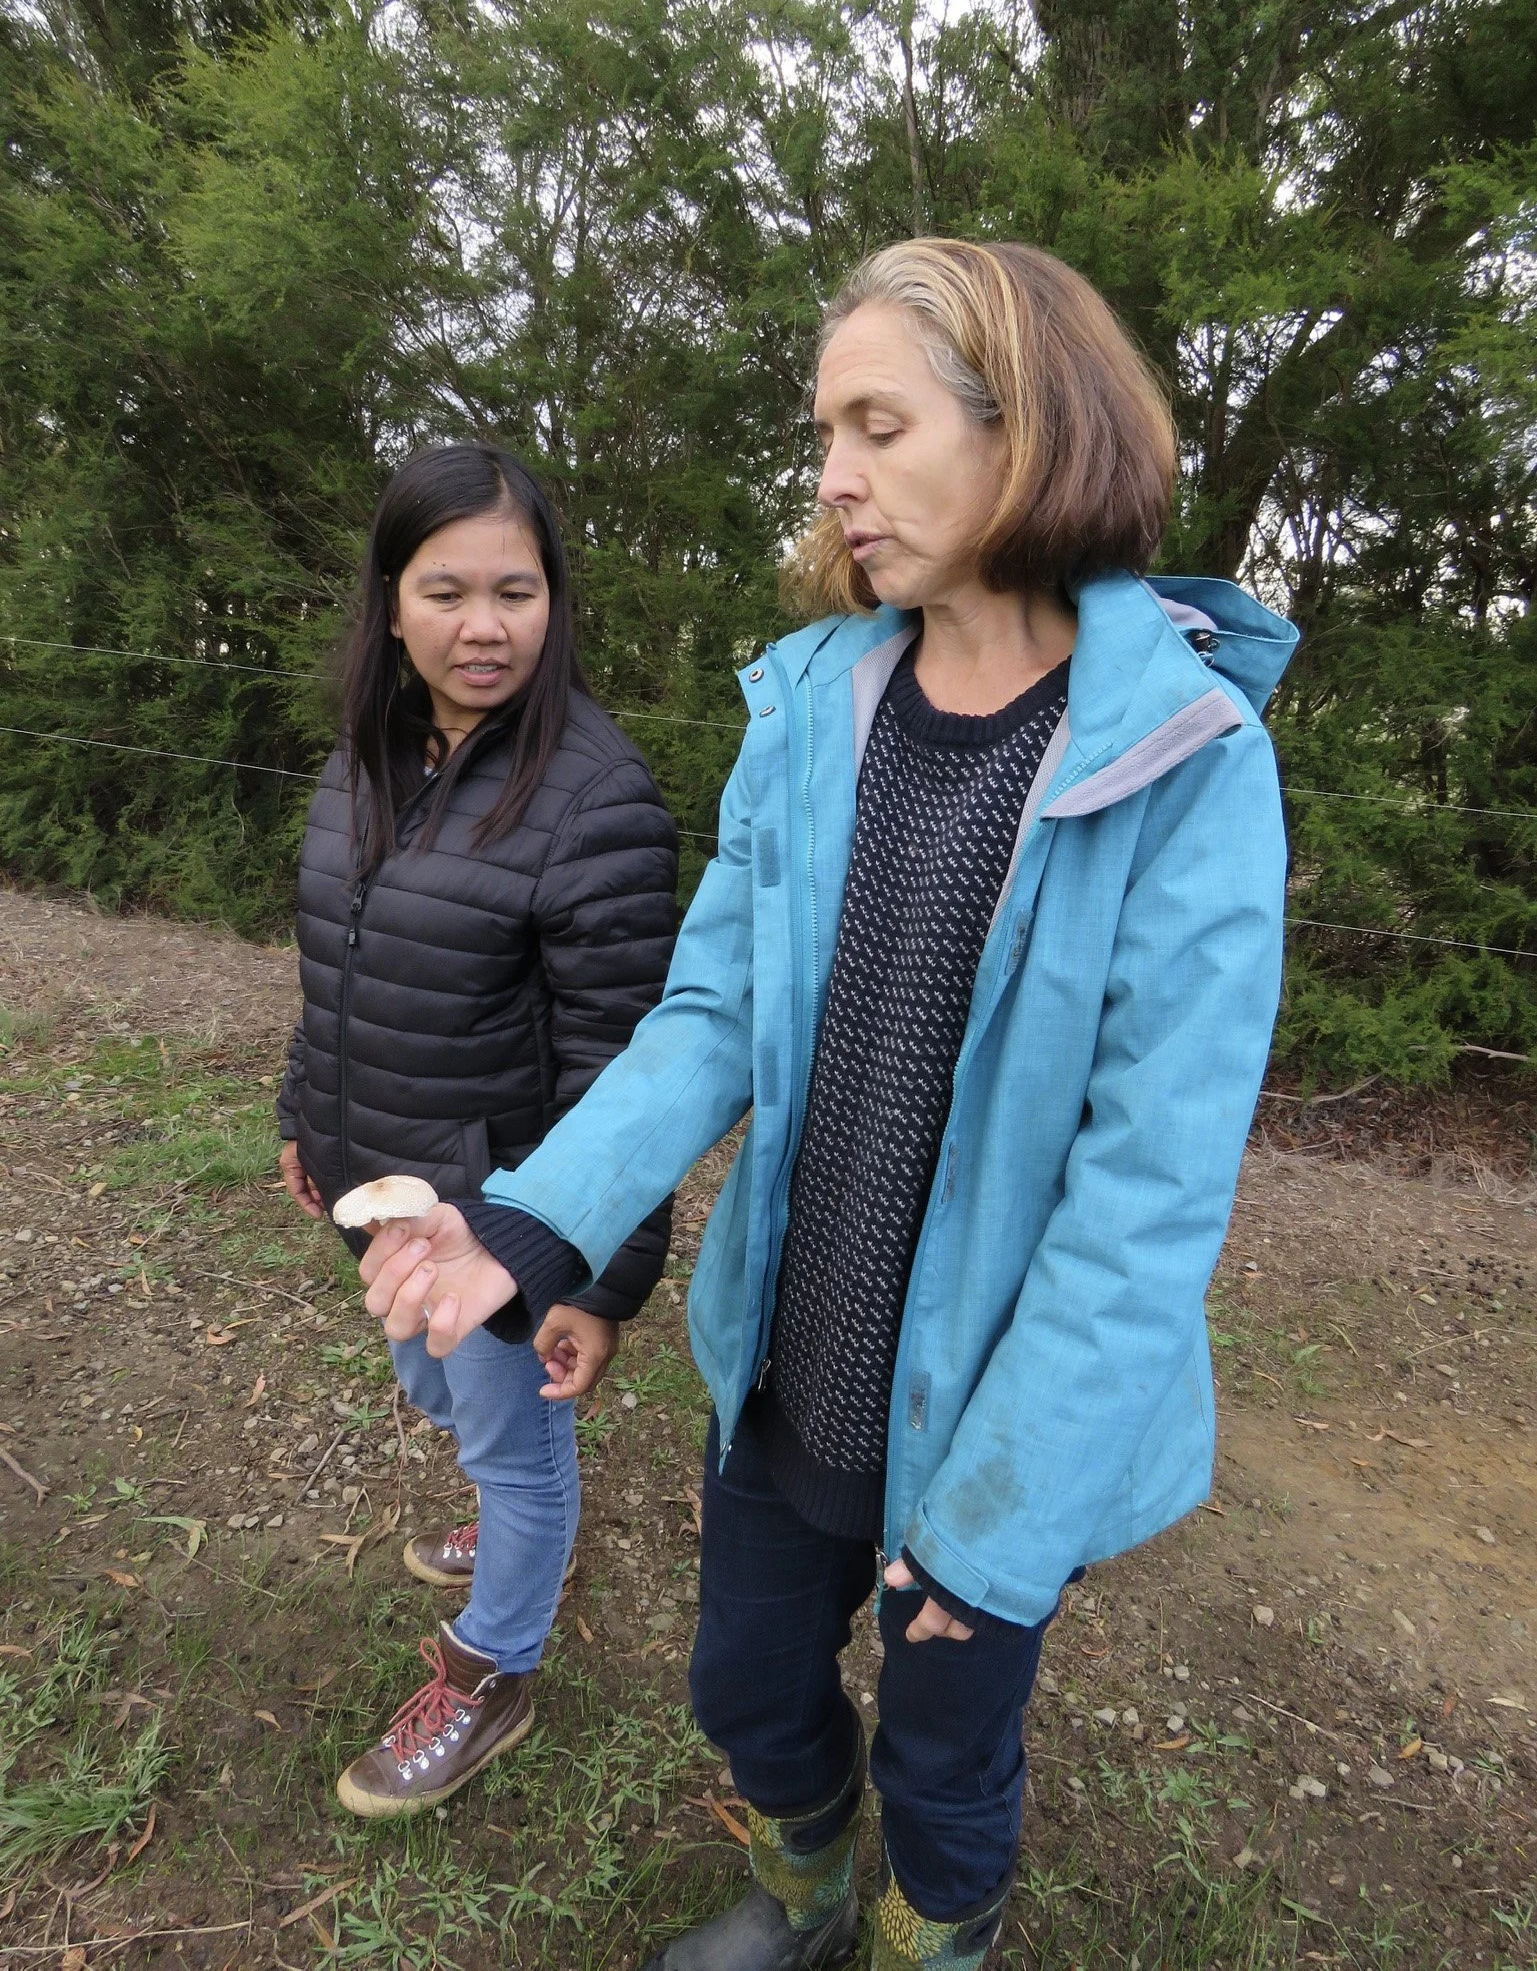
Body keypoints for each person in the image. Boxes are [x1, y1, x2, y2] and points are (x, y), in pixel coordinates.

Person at [358, 242, 1298, 1967]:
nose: (835, 479)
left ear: (1036, 429)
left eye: (880, 423)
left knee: (950, 1747)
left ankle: (936, 1937)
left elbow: (1145, 1204)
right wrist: (528, 1221)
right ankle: (800, 1891)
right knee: (748, 1683)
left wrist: (1001, 1531)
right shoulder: (812, 708)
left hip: (990, 1421)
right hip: (794, 1364)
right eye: (824, 434)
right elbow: (711, 1012)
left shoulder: (1191, 766)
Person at [275, 442, 677, 1819]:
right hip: (385, 1183)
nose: (484, 624)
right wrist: (304, 1112)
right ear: (391, 603)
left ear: (554, 602)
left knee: (515, 1438)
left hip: (504, 1219)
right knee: (439, 1390)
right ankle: (506, 1519)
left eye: (516, 589)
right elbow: (342, 957)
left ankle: (494, 1665)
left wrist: (589, 1278)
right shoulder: (369, 757)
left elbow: (624, 1071)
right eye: (447, 590)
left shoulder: (597, 798)